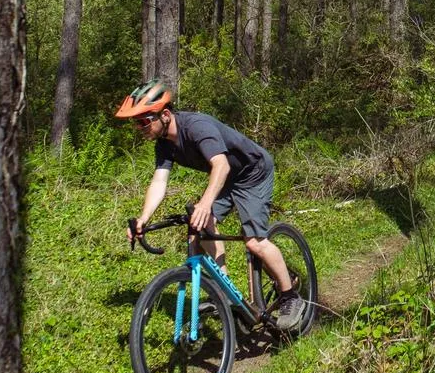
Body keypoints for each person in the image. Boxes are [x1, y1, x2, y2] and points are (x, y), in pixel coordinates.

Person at [115, 79, 306, 330]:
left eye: (143, 121)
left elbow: (221, 165)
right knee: (200, 229)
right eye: (136, 123)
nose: (139, 128)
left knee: (254, 241)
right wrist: (143, 218)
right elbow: (160, 181)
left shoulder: (196, 127)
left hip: (252, 172)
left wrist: (206, 204)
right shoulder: (164, 144)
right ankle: (225, 293)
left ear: (164, 114)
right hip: (227, 176)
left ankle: (290, 296)